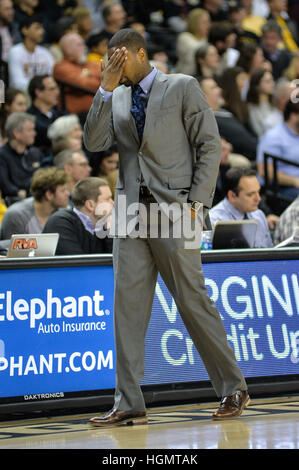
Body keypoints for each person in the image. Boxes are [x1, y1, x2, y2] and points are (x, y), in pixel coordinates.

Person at [83, 28, 249, 426]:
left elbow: (209, 145)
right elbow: (93, 142)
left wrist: (197, 202)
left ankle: (233, 388)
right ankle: (128, 401)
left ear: (141, 54)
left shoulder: (182, 86)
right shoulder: (116, 95)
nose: (114, 65)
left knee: (193, 302)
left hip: (177, 210)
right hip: (130, 214)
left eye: (120, 57)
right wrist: (103, 90)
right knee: (127, 308)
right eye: (109, 59)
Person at [42, 177, 113, 255]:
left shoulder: (104, 225)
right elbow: (76, 264)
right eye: (107, 199)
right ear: (90, 205)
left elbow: (117, 261)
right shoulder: (61, 223)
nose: (112, 203)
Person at [210, 167, 273, 248]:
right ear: (232, 196)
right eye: (250, 194)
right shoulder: (212, 221)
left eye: (258, 192)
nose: (258, 199)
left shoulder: (259, 216)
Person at [0, 166, 70, 240]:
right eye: (63, 191)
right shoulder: (17, 216)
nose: (68, 194)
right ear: (49, 195)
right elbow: (11, 249)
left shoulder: (64, 212)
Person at [199, 76, 258, 160]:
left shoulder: (225, 111)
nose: (220, 90)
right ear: (202, 95)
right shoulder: (209, 120)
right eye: (213, 88)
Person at [257, 99, 299, 202]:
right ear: (293, 115)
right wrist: (294, 181)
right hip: (281, 188)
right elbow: (265, 171)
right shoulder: (274, 136)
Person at [0, 112, 43, 203]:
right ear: (17, 133)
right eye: (30, 130)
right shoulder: (2, 155)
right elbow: (6, 186)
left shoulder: (35, 153)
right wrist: (27, 194)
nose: (34, 133)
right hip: (14, 202)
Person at [53, 32, 101, 114]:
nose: (85, 48)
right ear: (68, 49)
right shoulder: (61, 68)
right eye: (79, 45)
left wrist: (87, 75)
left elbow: (108, 80)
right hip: (77, 116)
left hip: (97, 113)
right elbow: (84, 85)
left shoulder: (92, 64)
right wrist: (98, 79)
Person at [7, 16, 54, 90]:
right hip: (24, 95)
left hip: (44, 94)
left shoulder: (45, 53)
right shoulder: (15, 52)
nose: (42, 31)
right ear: (25, 30)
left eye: (41, 28)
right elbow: (17, 83)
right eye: (37, 28)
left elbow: (52, 77)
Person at [27, 74, 64, 155]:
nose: (57, 92)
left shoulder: (59, 114)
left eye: (57, 88)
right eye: (52, 89)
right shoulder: (29, 118)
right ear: (38, 92)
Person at [175, 8, 211, 76]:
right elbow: (197, 51)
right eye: (204, 22)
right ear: (194, 23)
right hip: (185, 76)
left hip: (200, 76)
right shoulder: (184, 37)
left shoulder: (204, 38)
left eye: (209, 22)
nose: (208, 26)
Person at [247, 68, 279, 136]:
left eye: (272, 80)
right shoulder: (252, 108)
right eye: (267, 81)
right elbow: (259, 132)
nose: (272, 84)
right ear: (257, 85)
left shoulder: (275, 103)